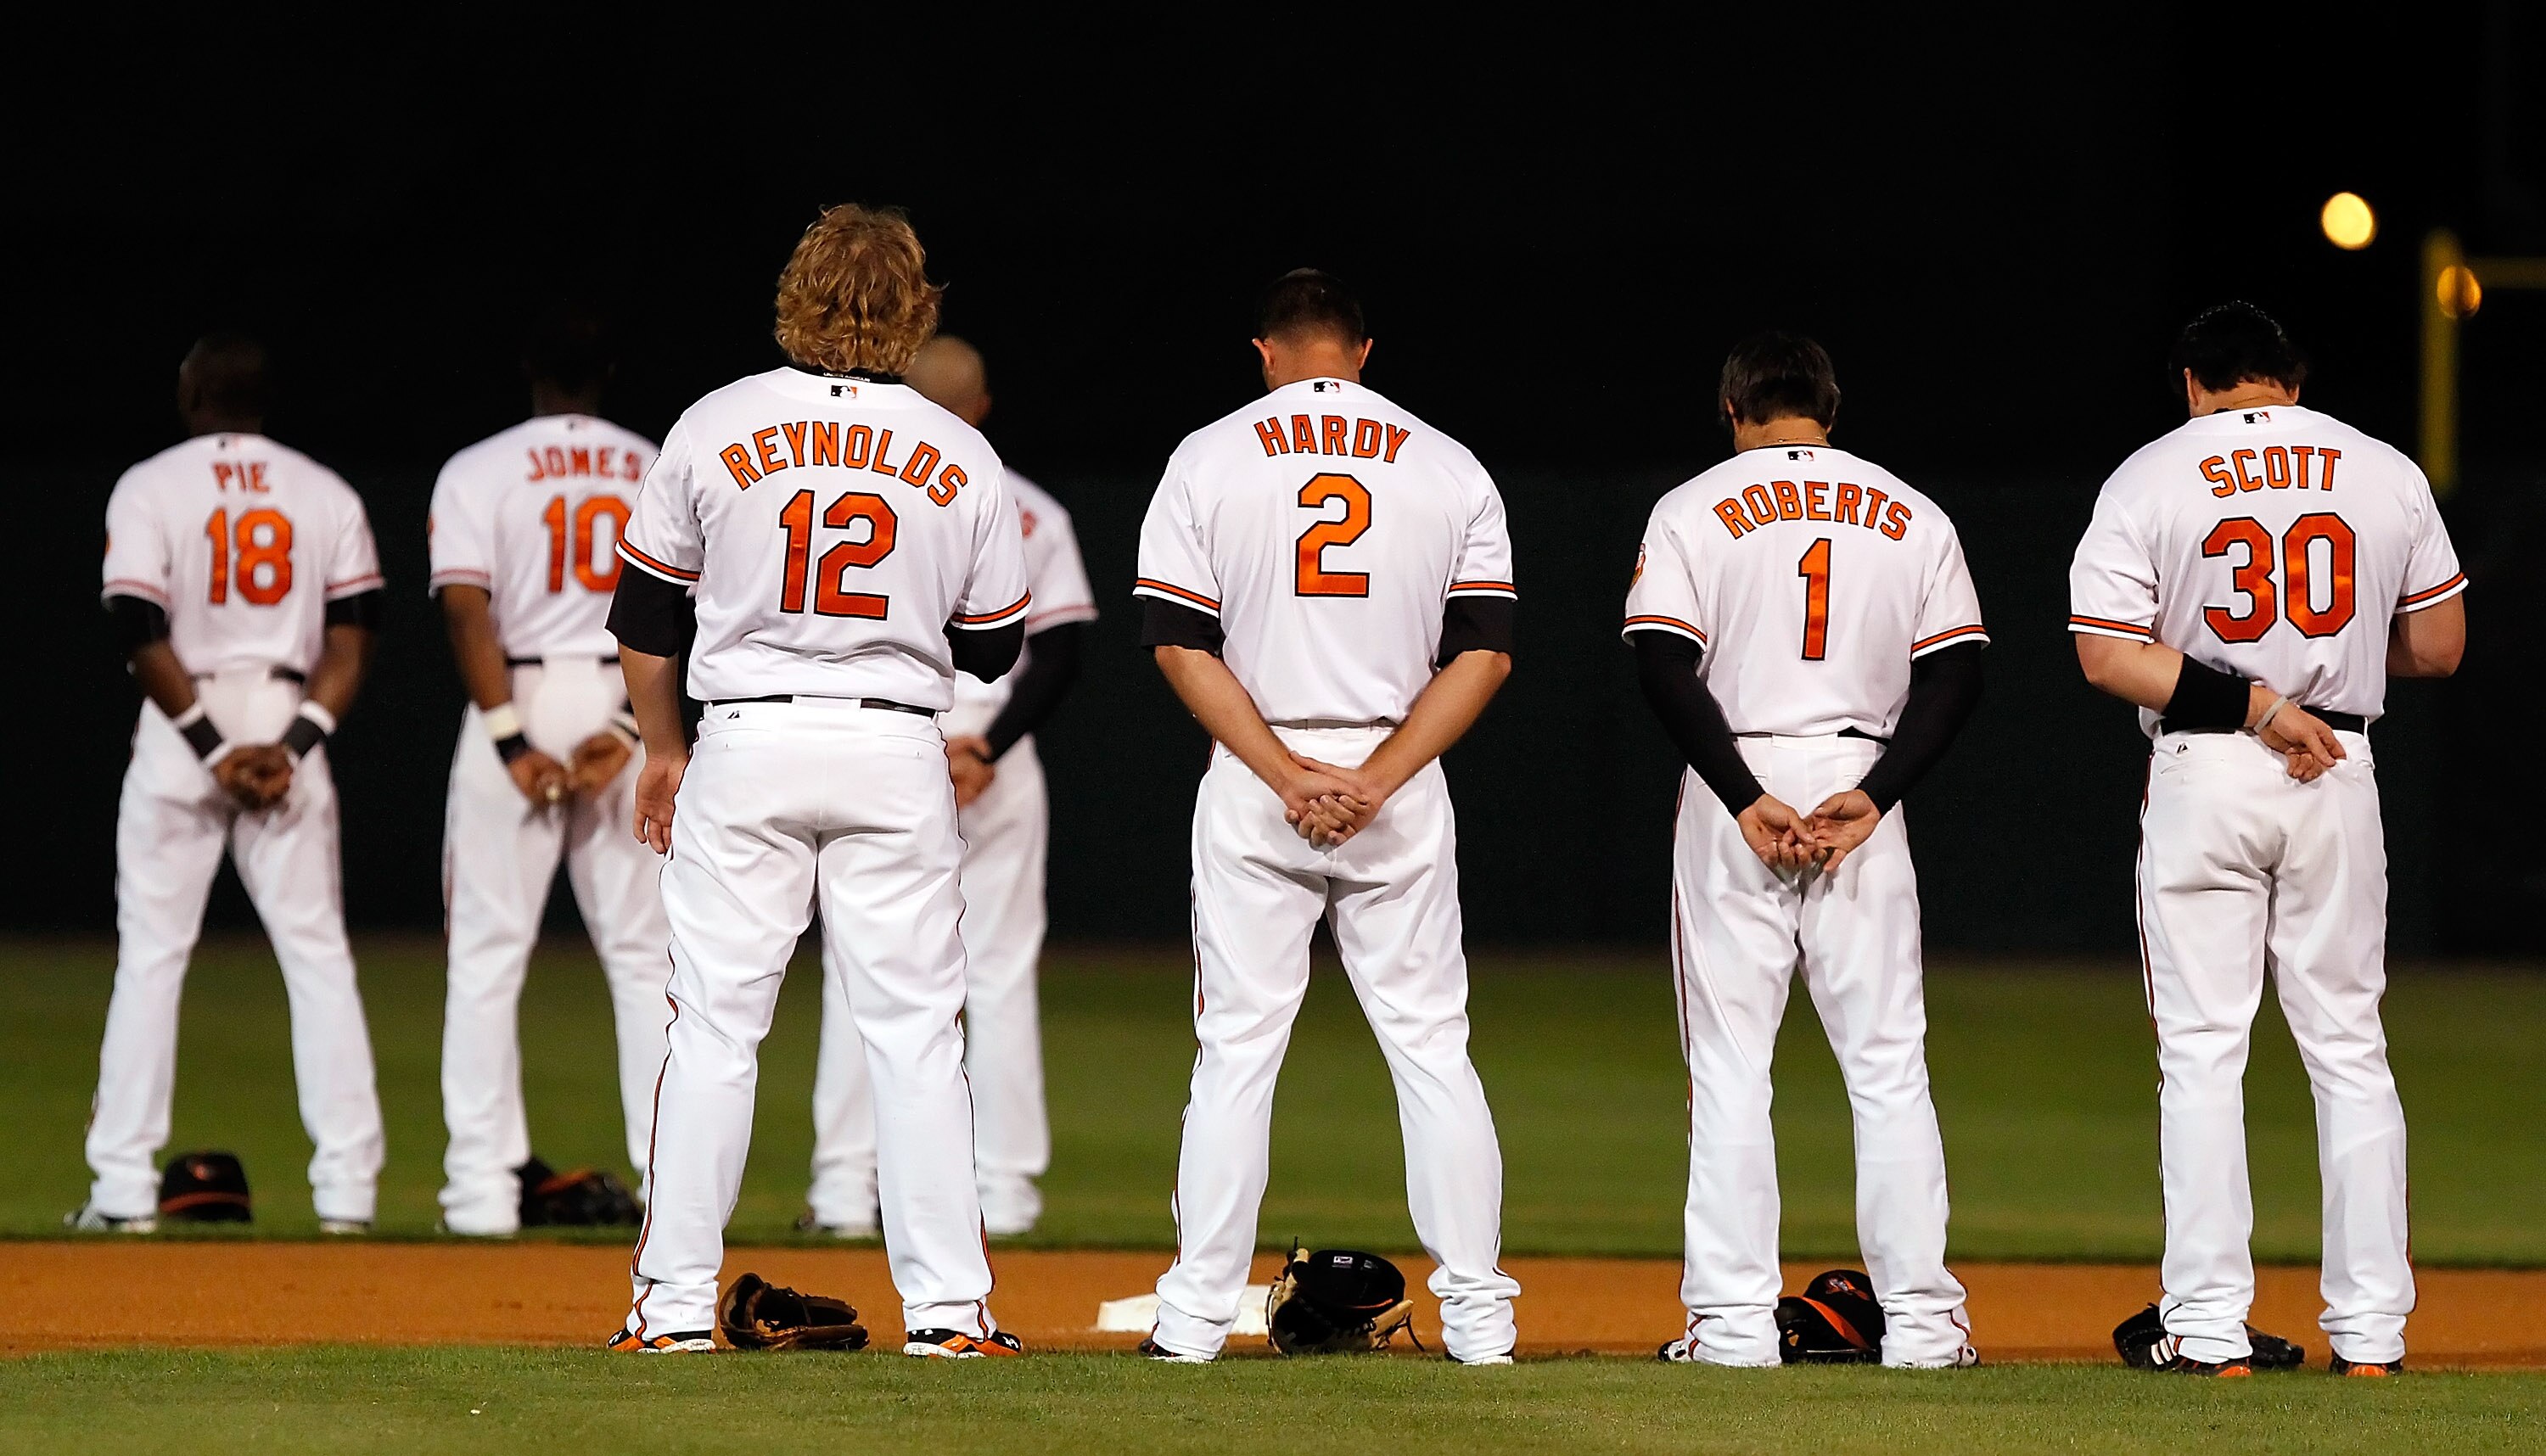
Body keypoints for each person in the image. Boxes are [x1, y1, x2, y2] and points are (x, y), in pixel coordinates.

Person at [605, 204, 1032, 1357]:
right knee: (915, 1037)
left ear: (796, 293)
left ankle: (671, 1312)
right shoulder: (956, 448)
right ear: (915, 307)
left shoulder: (715, 422)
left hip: (746, 735)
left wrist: (661, 745)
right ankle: (949, 1317)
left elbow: (645, 616)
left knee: (710, 1034)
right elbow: (995, 645)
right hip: (895, 744)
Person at [2069, 302, 2465, 1377]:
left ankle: (2204, 1328)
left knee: (2202, 1052)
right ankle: (2374, 1335)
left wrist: (2251, 702)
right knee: (2350, 1050)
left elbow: (2108, 657)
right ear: (2294, 380)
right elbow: (2438, 643)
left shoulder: (2152, 473)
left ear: (2194, 385)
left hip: (2208, 769)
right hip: (2338, 766)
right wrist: (2329, 668)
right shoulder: (2382, 468)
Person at [1133, 269, 1523, 1365]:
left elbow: (1177, 641)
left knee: (1236, 1052)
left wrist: (1287, 774)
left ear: (1264, 352)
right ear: (1362, 351)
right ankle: (1483, 1321)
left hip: (1263, 774)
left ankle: (1195, 1321)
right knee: (1434, 1051)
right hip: (1396, 772)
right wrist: (1379, 778)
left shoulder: (1210, 454)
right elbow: (1485, 652)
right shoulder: (1448, 463)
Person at [1626, 331, 1986, 1369]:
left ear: (1734, 408)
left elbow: (1661, 663)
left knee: (1733, 1071)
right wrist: (1875, 795)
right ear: (1832, 407)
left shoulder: (1694, 506)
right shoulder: (1910, 509)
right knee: (1889, 1071)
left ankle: (1733, 1331)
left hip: (1738, 779)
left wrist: (1744, 796)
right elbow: (1958, 676)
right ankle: (1923, 1328)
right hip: (1858, 790)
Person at [78, 333, 388, 1234]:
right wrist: (292, 742)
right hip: (288, 718)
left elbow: (139, 622)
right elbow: (355, 632)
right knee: (318, 957)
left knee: (151, 957)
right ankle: (347, 1195)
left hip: (186, 724)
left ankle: (123, 1193)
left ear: (190, 395)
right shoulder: (322, 489)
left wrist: (214, 745)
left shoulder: (150, 484)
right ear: (266, 400)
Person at [806, 335, 1096, 1238]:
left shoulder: (849, 485)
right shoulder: (1027, 509)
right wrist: (990, 747)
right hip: (988, 760)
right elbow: (1058, 653)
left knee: (858, 970)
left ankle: (842, 1192)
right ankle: (1003, 1191)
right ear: (981, 408)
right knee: (999, 974)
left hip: (883, 745)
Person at [425, 305, 671, 1236]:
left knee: (487, 961)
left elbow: (464, 608)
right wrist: (625, 724)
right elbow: (682, 605)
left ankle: (481, 1193)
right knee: (647, 964)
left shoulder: (478, 466)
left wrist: (510, 737)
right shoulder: (656, 459)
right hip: (624, 694)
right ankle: (667, 1186)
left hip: (518, 690)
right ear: (608, 370)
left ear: (529, 367)